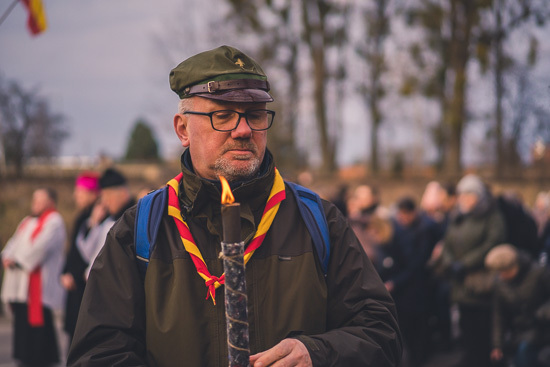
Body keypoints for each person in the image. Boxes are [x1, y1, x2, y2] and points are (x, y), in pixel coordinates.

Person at [67, 45, 402, 367]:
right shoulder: (140, 230)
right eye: (222, 116)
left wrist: (317, 353)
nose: (243, 130)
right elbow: (97, 354)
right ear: (183, 129)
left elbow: (381, 335)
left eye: (255, 115)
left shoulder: (317, 220)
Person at [431, 173, 506, 367]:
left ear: (479, 196)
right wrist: (448, 262)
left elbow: (492, 243)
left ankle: (482, 359)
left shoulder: (491, 216)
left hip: (481, 283)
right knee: (466, 325)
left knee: (482, 327)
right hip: (460, 283)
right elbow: (447, 242)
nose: (463, 199)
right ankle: (470, 357)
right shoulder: (458, 217)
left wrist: (465, 263)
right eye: (461, 195)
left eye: (468, 195)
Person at [1, 187, 67, 366]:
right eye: (34, 199)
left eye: (39, 200)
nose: (34, 203)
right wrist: (7, 256)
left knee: (39, 328)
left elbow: (40, 247)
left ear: (50, 202)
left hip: (39, 285)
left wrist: (17, 260)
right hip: (21, 283)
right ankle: (25, 358)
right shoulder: (27, 221)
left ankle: (41, 360)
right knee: (22, 325)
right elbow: (13, 242)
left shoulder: (54, 221)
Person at [378, 197, 439, 367]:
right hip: (407, 289)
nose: (402, 218)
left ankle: (421, 359)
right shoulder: (401, 231)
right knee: (408, 328)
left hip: (417, 288)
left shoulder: (423, 229)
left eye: (405, 215)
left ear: (412, 212)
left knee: (418, 328)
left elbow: (416, 264)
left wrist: (395, 282)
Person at [485, 244, 550, 367]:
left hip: (543, 327)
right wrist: (497, 345)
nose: (500, 276)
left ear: (512, 267)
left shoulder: (538, 273)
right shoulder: (500, 283)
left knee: (524, 354)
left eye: (503, 272)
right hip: (519, 331)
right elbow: (498, 315)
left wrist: (542, 313)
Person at [60, 172, 104, 345]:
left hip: (86, 284)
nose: (75, 196)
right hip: (74, 284)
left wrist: (93, 223)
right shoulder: (81, 217)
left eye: (80, 192)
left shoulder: (101, 216)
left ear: (93, 194)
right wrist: (66, 272)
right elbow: (72, 251)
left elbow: (89, 251)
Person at [76, 167, 135, 279]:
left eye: (108, 196)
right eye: (103, 197)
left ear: (123, 193)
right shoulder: (107, 220)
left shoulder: (132, 219)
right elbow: (87, 252)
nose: (105, 202)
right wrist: (94, 224)